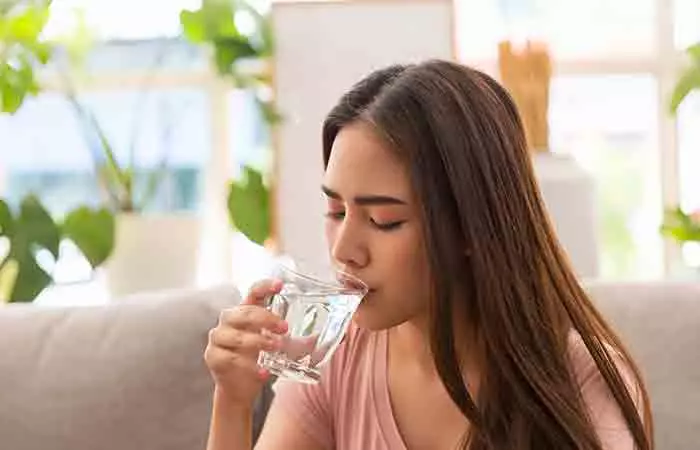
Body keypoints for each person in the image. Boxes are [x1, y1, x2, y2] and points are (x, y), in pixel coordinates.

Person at [204, 60, 653, 450]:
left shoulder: (581, 381)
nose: (344, 250)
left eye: (383, 220)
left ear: (470, 227)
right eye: (336, 211)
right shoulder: (338, 362)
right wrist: (233, 402)